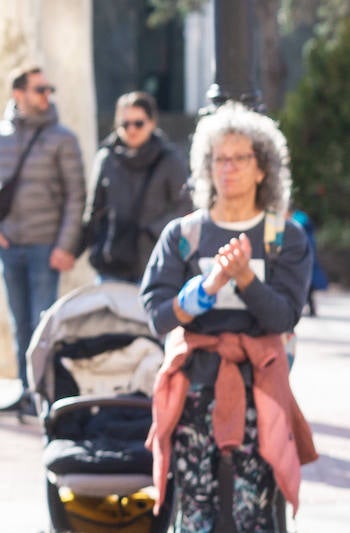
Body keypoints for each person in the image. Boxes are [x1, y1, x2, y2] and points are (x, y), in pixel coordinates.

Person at [140, 103, 318, 530]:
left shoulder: (284, 237)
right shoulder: (183, 236)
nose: (229, 167)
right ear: (206, 167)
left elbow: (283, 317)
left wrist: (244, 280)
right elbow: (159, 317)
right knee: (195, 508)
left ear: (262, 170)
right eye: (220, 158)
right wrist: (205, 289)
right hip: (194, 390)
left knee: (253, 510)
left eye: (241, 158)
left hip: (261, 391)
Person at [0, 65, 86, 416]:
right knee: (19, 323)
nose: (46, 96)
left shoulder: (62, 138)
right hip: (10, 247)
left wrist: (65, 246)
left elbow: (76, 197)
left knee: (42, 324)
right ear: (18, 93)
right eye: (39, 89)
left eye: (48, 89)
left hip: (45, 247)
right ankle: (25, 391)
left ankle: (44, 395)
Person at [83, 91, 191, 282]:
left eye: (138, 123)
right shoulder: (106, 158)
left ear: (151, 123)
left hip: (153, 262)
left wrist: (151, 231)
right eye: (125, 124)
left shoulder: (169, 159)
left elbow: (184, 207)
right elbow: (94, 210)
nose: (131, 130)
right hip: (111, 263)